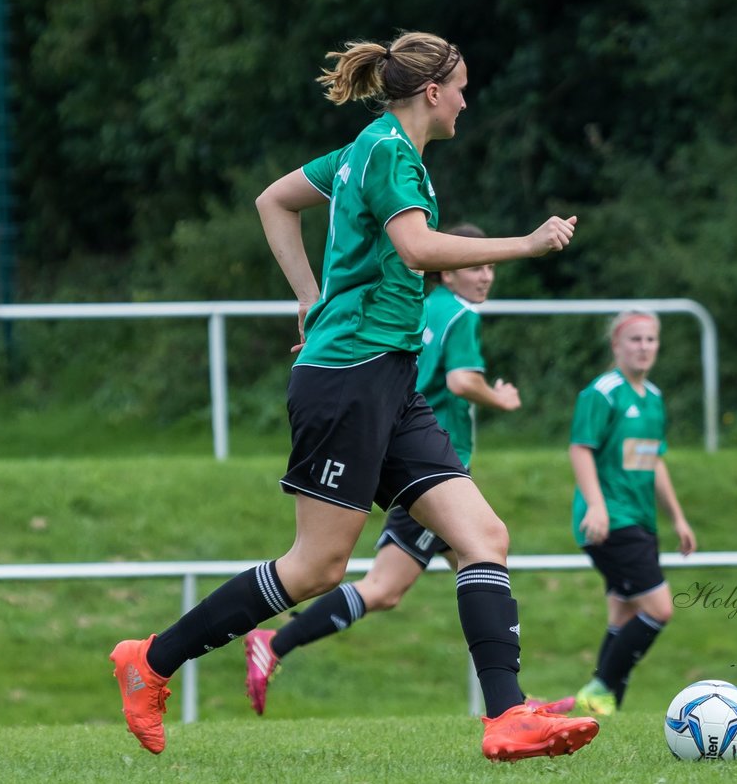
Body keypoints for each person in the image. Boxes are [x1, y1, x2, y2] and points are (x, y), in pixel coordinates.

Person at [108, 31, 599, 762]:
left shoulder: (365, 149)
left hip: (390, 379)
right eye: (462, 86)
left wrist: (312, 300)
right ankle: (149, 660)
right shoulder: (390, 153)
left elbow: (274, 200)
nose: (467, 99)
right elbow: (419, 250)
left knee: (482, 536)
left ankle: (507, 717)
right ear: (433, 92)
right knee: (316, 569)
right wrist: (523, 245)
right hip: (349, 379)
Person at [243, 223, 574, 715]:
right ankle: (274, 644)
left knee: (477, 561)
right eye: (475, 265)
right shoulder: (460, 314)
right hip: (429, 465)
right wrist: (499, 397)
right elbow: (462, 381)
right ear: (448, 269)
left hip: (403, 450)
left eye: (488, 268)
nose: (484, 277)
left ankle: (513, 701)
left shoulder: (423, 304)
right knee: (386, 586)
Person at [568, 310, 697, 717]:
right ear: (616, 346)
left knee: (623, 612)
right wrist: (597, 505)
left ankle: (606, 708)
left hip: (640, 519)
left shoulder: (654, 398)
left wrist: (677, 517)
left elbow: (654, 461)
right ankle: (600, 685)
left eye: (651, 340)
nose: (644, 347)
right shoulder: (603, 392)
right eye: (635, 340)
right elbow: (580, 448)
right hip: (611, 521)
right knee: (659, 609)